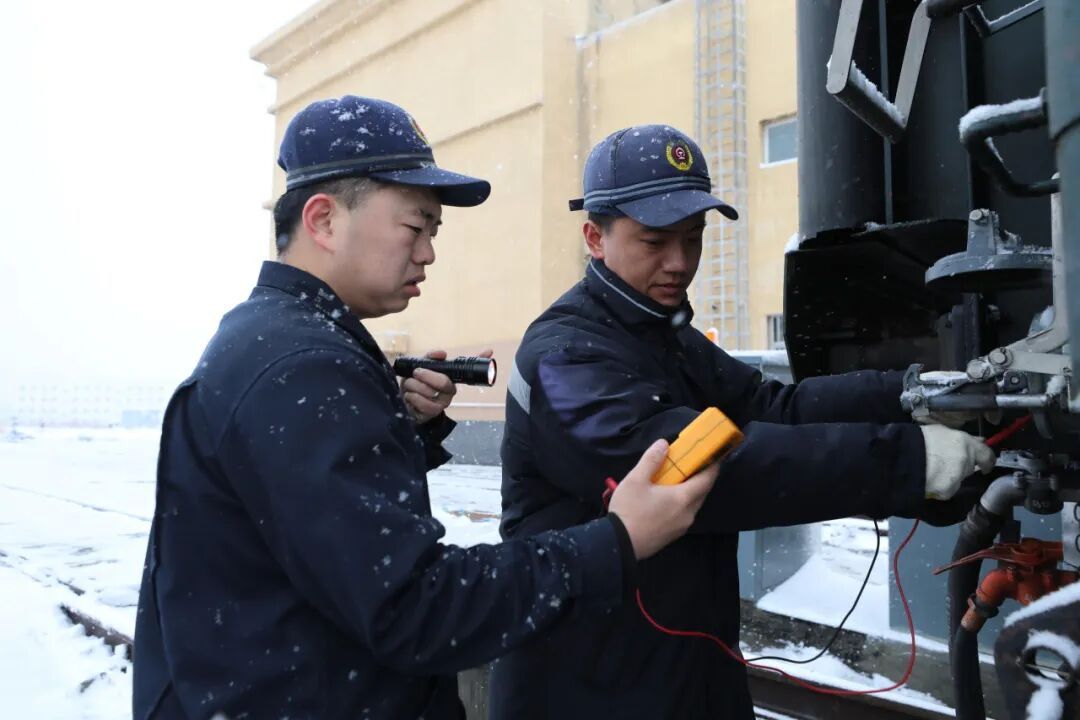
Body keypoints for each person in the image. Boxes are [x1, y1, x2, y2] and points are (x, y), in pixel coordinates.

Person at [132, 99, 718, 720]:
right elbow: (417, 608)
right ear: (324, 221)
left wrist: (403, 432)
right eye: (416, 228)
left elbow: (309, 536)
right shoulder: (303, 366)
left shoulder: (271, 338)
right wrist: (616, 540)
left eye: (433, 233)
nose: (429, 254)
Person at [489, 124, 996, 719]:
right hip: (587, 685)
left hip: (685, 668)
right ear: (594, 237)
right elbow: (707, 473)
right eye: (655, 241)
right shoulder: (566, 356)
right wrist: (909, 460)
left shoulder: (661, 330)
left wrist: (909, 396)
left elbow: (770, 405)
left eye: (693, 238)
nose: (680, 263)